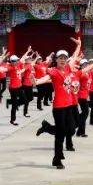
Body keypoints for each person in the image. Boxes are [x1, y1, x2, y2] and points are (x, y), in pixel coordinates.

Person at [34, 38, 83, 169]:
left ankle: (47, 127)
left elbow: (74, 57)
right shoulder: (54, 71)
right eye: (60, 58)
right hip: (59, 107)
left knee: (71, 129)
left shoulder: (68, 68)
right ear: (56, 60)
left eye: (64, 58)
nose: (63, 60)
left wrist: (78, 45)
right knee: (61, 134)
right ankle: (57, 158)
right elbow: (46, 78)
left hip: (69, 106)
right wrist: (37, 82)